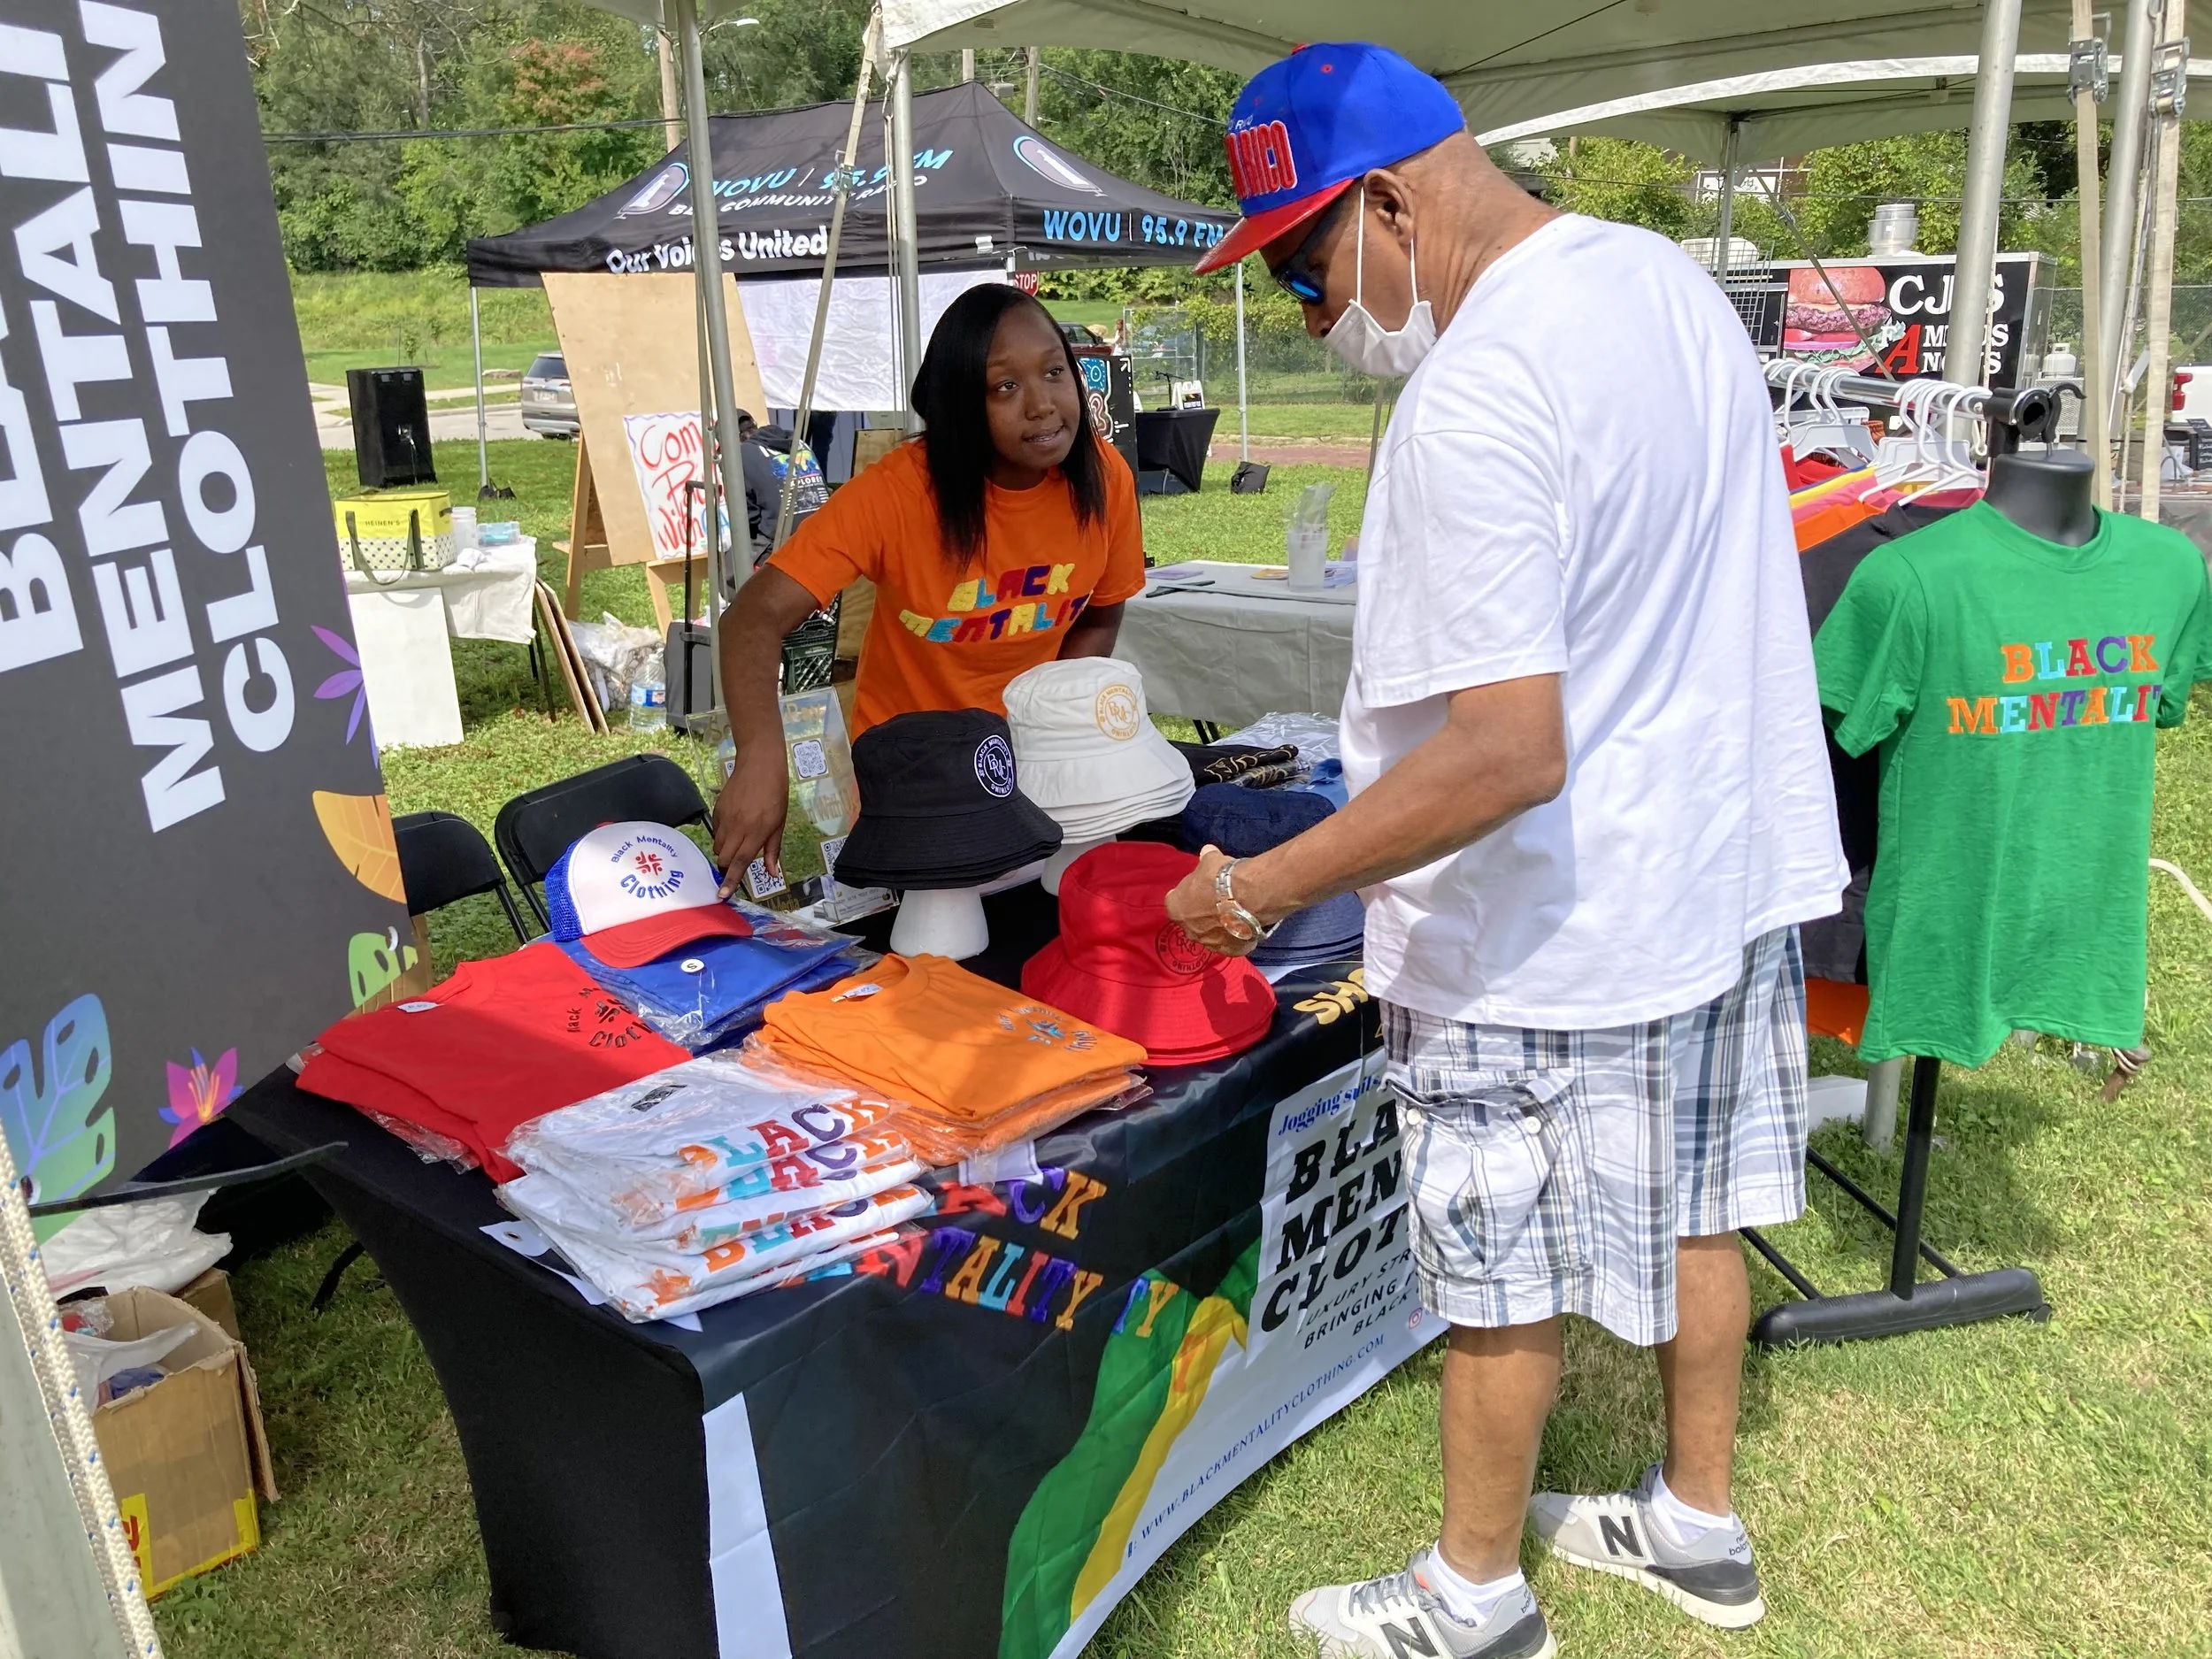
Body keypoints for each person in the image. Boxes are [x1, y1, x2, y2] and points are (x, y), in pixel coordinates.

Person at [1166, 43, 1847, 1659]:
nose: (1307, 317)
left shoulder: (1471, 392)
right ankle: (1697, 1521)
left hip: (1545, 923)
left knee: (1494, 1262)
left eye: (1303, 268)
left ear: (1392, 206)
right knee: (1698, 1202)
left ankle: (1471, 1598)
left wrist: (1258, 887)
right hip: (1712, 866)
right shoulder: (1668, 283)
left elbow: (1503, 752)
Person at [712, 285, 1146, 889]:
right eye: (1005, 387)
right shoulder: (897, 493)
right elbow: (753, 617)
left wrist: (1049, 728)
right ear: (960, 403)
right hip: (914, 786)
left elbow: (1100, 615)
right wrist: (762, 758)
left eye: (1054, 372)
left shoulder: (1104, 478)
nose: (1043, 405)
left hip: (1034, 768)